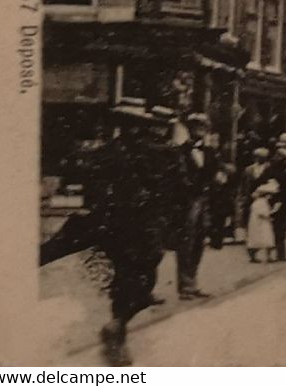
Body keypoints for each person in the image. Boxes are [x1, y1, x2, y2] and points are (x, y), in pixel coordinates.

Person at [83, 99, 173, 366]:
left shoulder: (145, 151)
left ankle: (117, 326)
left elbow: (162, 184)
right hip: (125, 225)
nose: (135, 129)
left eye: (138, 124)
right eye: (130, 124)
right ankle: (118, 337)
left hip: (139, 224)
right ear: (122, 125)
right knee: (128, 280)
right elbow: (94, 189)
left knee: (142, 281)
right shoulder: (113, 152)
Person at [172, 112, 216, 299]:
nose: (200, 131)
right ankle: (184, 286)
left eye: (203, 127)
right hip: (188, 203)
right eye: (197, 127)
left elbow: (215, 175)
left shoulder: (210, 152)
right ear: (190, 130)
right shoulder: (180, 151)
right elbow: (178, 179)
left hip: (204, 203)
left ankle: (193, 281)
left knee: (199, 242)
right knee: (186, 243)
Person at [269, 132, 286, 261]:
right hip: (279, 195)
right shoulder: (280, 157)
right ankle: (279, 253)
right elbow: (277, 176)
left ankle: (281, 253)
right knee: (279, 223)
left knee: (282, 224)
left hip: (284, 194)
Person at [246, 180, 278, 263]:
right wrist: (273, 212)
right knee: (264, 239)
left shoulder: (258, 202)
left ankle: (261, 256)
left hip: (259, 222)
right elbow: (262, 213)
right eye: (269, 195)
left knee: (262, 239)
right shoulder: (261, 202)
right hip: (261, 223)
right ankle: (263, 256)